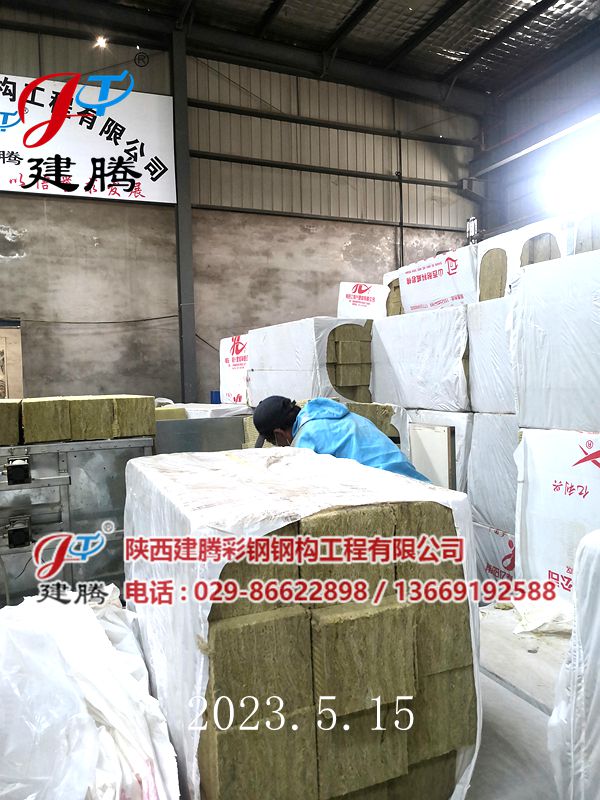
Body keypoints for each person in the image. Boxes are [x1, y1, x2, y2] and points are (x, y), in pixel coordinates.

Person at [253, 395, 429, 482]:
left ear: (279, 434)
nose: (279, 447)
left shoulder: (305, 442)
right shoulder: (329, 414)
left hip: (394, 492)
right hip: (418, 483)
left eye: (273, 442)